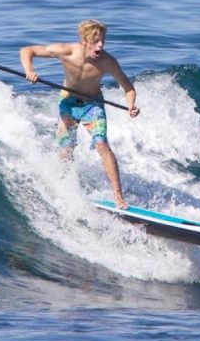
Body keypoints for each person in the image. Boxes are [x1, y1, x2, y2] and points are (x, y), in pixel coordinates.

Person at [20, 20, 139, 209]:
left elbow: (128, 87)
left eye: (103, 41)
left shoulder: (108, 61)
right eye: (96, 40)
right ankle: (62, 189)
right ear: (85, 40)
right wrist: (30, 71)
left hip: (92, 104)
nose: (101, 45)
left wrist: (131, 105)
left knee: (101, 143)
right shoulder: (66, 51)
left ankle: (119, 197)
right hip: (68, 102)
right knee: (66, 149)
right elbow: (27, 50)